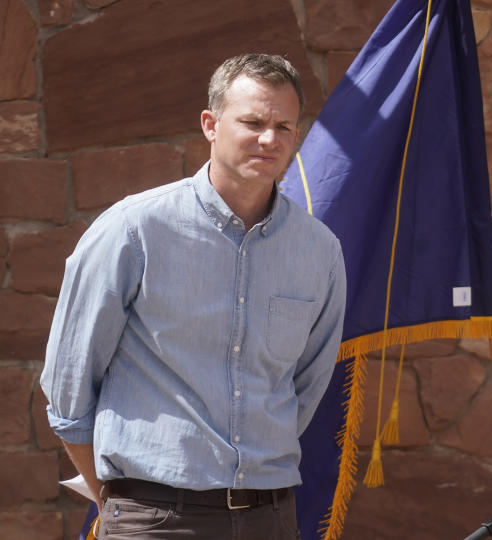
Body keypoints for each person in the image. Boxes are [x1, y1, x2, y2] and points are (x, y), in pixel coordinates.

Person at [41, 54, 347, 538]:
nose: (269, 139)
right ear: (210, 124)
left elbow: (304, 388)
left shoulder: (320, 251)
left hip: (271, 518)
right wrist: (120, 501)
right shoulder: (133, 230)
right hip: (154, 519)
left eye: (283, 126)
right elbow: (68, 385)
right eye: (252, 122)